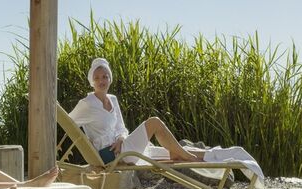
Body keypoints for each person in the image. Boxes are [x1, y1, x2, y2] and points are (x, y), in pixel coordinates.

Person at [68, 58, 204, 164]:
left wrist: (121, 138)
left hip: (122, 148)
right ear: (92, 81)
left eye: (105, 76)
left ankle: (195, 155)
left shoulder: (112, 99)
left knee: (167, 151)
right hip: (108, 154)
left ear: (110, 79)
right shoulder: (87, 103)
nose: (101, 81)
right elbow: (68, 123)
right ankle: (189, 157)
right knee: (154, 123)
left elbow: (121, 128)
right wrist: (87, 142)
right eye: (96, 78)